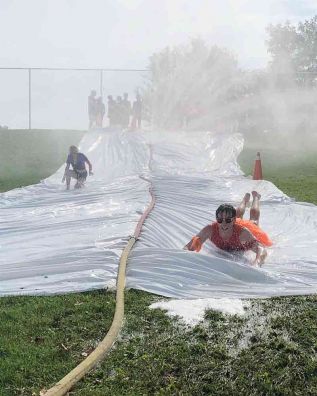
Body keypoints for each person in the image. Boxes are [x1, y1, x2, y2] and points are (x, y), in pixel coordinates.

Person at [184, 191, 272, 267]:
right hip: (234, 223)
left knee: (254, 221)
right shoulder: (210, 230)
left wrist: (257, 262)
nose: (223, 223)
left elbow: (261, 249)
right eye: (220, 219)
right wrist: (185, 254)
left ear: (233, 220)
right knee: (237, 214)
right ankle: (245, 200)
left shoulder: (243, 233)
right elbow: (190, 246)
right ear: (216, 219)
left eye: (228, 220)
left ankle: (256, 197)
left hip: (241, 228)